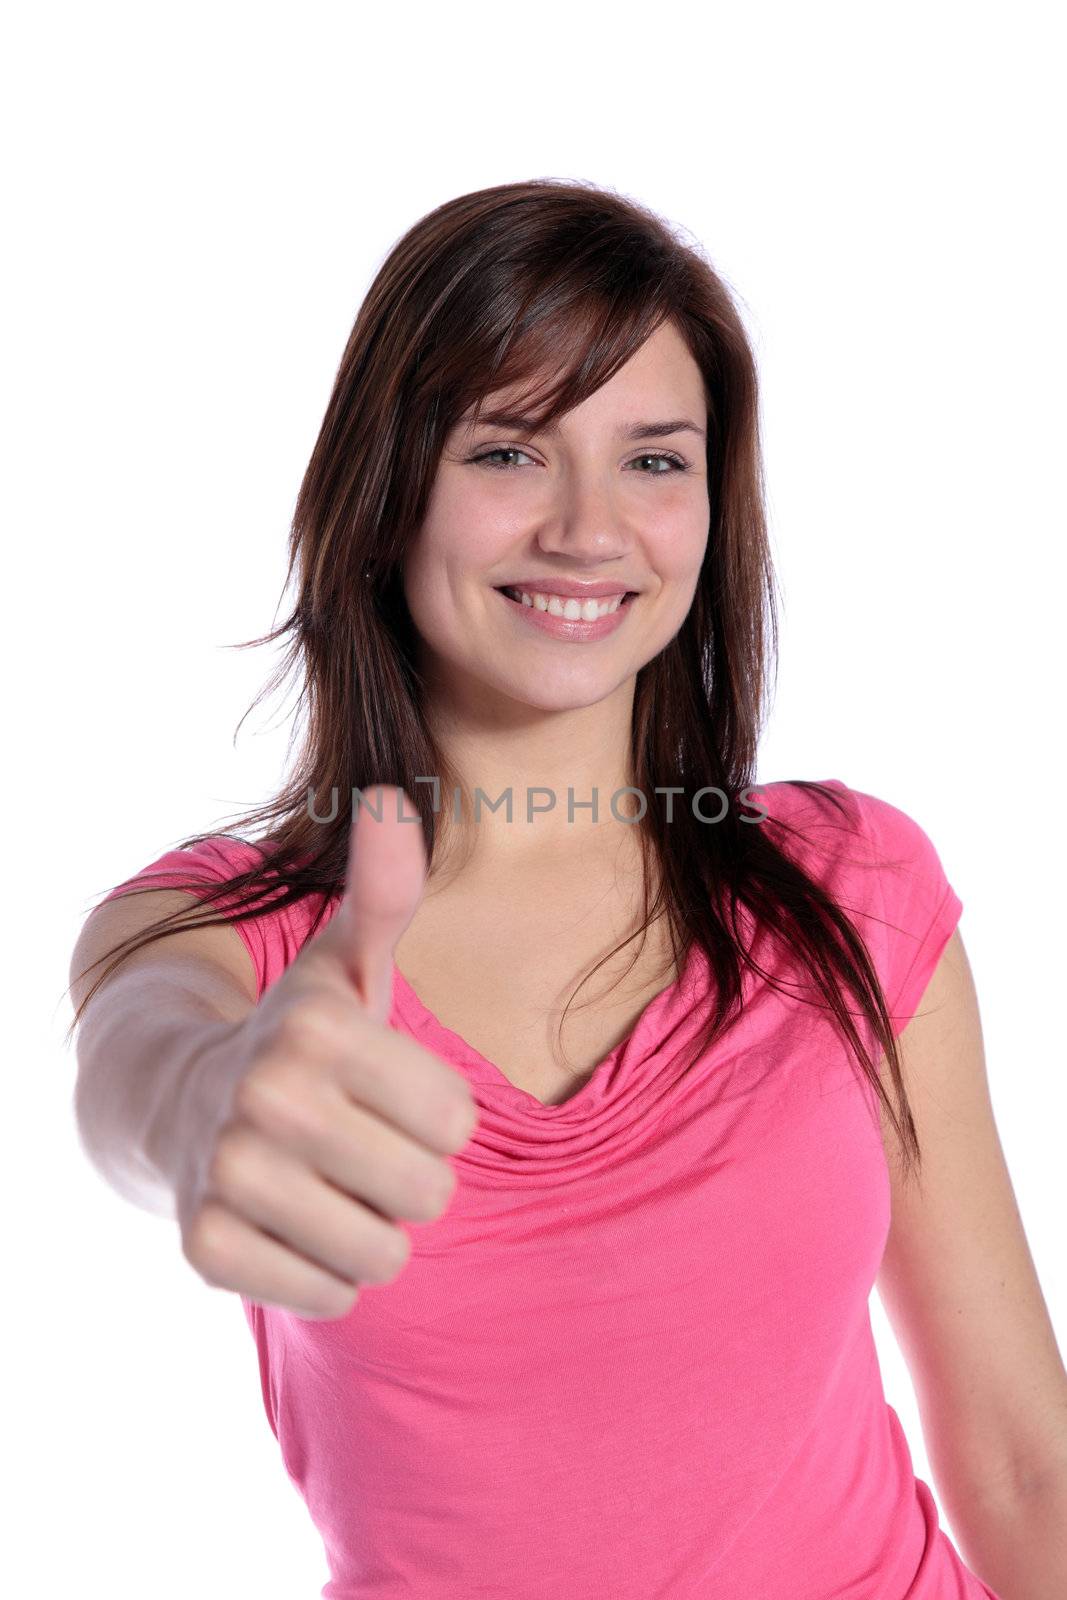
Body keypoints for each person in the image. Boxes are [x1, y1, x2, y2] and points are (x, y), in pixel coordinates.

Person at [65, 179, 1065, 1599]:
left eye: (654, 461)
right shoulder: (232, 928)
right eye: (510, 453)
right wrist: (199, 1102)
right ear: (387, 488)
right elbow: (139, 1055)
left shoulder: (855, 889)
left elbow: (1026, 1460)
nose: (590, 532)